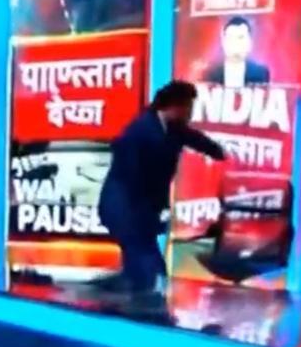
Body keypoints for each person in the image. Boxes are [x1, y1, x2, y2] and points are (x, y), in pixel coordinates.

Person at [97, 81, 226, 293]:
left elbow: (197, 140)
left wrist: (219, 152)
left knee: (138, 267)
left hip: (142, 209)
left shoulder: (175, 129)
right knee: (149, 264)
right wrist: (153, 211)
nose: (190, 113)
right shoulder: (139, 131)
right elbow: (130, 177)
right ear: (173, 105)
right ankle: (149, 301)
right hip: (122, 207)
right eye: (188, 107)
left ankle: (127, 298)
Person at [203, 16, 270, 88]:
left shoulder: (260, 73)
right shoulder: (210, 73)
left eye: (240, 38)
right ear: (223, 41)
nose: (235, 44)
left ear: (250, 42)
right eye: (231, 38)